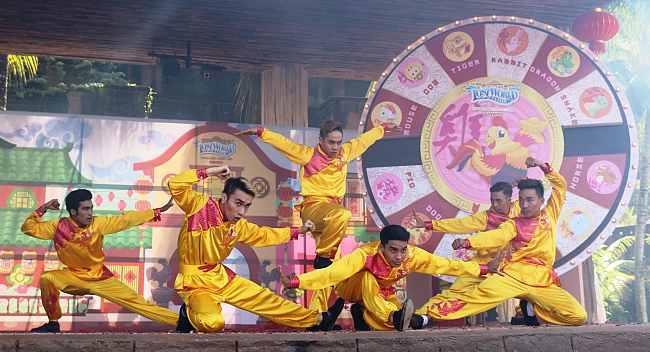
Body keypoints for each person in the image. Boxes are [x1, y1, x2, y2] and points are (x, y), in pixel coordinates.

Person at [236, 120, 401, 313]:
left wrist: (383, 128)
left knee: (329, 273)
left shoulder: (344, 153)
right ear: (321, 139)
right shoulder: (308, 155)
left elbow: (365, 140)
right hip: (314, 209)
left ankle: (318, 316)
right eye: (331, 142)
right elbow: (284, 144)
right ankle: (323, 258)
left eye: (338, 142)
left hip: (332, 220)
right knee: (343, 214)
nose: (335, 147)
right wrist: (261, 131)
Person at [413, 157, 588, 327]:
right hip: (511, 275)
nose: (525, 205)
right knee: (471, 297)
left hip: (543, 281)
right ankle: (423, 317)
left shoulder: (549, 215)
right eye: (522, 200)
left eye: (530, 200)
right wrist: (468, 242)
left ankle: (532, 306)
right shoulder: (512, 223)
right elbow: (494, 236)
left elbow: (560, 186)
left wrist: (543, 166)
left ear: (541, 201)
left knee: (578, 316)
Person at [169, 166, 343, 333]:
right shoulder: (199, 207)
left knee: (265, 299)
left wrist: (298, 230)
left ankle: (318, 320)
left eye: (246, 206)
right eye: (238, 203)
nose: (242, 211)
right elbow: (175, 184)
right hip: (195, 283)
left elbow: (264, 235)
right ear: (223, 198)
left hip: (218, 276)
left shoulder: (239, 226)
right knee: (213, 323)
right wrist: (210, 172)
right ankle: (187, 314)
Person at [279, 224, 504, 331]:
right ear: (382, 247)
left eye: (403, 250)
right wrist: (298, 282)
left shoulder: (413, 256)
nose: (399, 256)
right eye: (393, 250)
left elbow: (448, 266)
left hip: (381, 293)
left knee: (397, 327)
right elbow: (333, 273)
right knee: (369, 280)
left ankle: (365, 315)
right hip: (351, 287)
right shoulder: (365, 255)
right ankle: (390, 315)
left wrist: (483, 269)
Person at [21, 189, 178, 333]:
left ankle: (184, 322)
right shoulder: (57, 227)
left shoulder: (98, 224)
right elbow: (28, 228)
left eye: (91, 208)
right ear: (73, 211)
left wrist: (157, 210)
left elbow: (126, 220)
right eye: (85, 209)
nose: (90, 213)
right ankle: (53, 323)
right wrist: (44, 208)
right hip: (74, 277)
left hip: (100, 277)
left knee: (139, 303)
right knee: (47, 278)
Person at [410, 181, 519, 325]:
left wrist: (528, 182)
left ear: (509, 200)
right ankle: (418, 317)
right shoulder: (486, 217)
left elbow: (535, 197)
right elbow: (459, 224)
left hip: (511, 267)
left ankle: (528, 317)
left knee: (533, 290)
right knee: (452, 292)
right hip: (483, 265)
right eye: (492, 200)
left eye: (498, 200)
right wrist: (428, 224)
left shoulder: (520, 209)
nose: (495, 205)